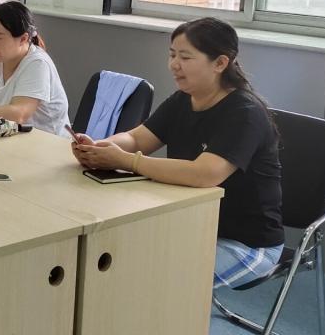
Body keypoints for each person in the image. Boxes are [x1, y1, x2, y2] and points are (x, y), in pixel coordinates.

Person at [71, 17, 283, 290]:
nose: (174, 64)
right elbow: (137, 138)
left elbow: (205, 174)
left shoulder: (245, 113)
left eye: (185, 57)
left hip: (247, 243)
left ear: (220, 63)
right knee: (121, 260)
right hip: (192, 222)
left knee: (164, 281)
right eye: (172, 55)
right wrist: (100, 147)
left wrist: (127, 161)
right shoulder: (183, 99)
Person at [0, 1, 69, 135]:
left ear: (23, 39)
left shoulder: (38, 64)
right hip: (6, 138)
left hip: (46, 143)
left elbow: (18, 114)